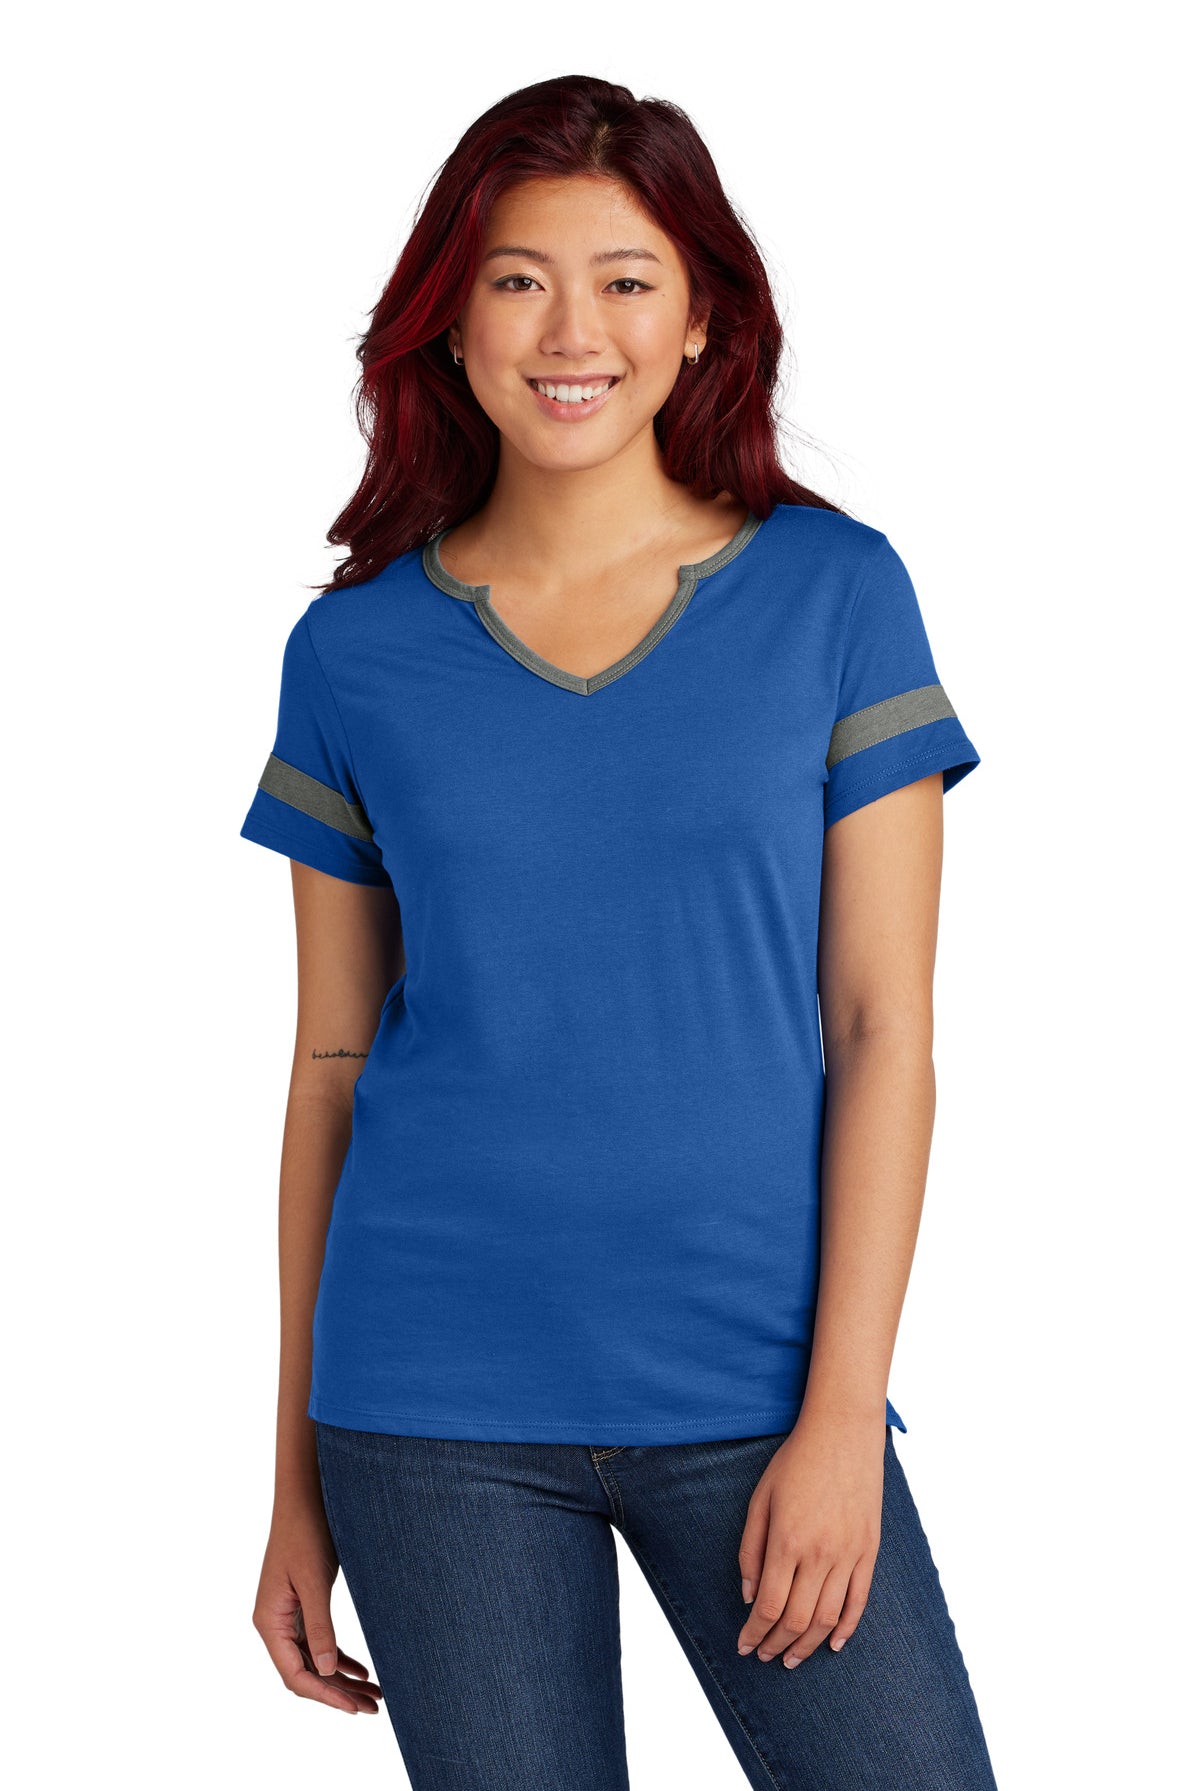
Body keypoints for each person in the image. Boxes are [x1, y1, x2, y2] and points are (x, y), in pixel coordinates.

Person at [242, 73, 999, 1791]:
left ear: (702, 314)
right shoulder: (355, 655)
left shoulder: (836, 596)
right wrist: (291, 1483)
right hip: (427, 1404)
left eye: (626, 279)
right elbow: (332, 1064)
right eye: (517, 280)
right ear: (450, 326)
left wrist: (842, 1417)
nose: (571, 331)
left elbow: (883, 1029)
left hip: (759, 1388)